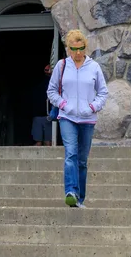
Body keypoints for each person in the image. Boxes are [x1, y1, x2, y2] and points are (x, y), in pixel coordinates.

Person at [46, 28, 107, 208]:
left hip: (88, 119)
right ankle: (70, 191)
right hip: (68, 117)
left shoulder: (94, 67)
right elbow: (51, 91)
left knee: (82, 160)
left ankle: (79, 198)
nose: (77, 53)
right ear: (68, 49)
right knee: (70, 154)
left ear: (85, 48)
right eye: (73, 49)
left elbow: (103, 92)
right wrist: (64, 105)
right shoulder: (62, 66)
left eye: (81, 49)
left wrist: (93, 107)